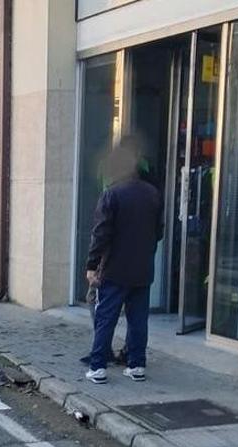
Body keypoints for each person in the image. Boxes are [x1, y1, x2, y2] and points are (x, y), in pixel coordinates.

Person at [85, 136, 163, 384]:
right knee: (138, 319)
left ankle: (98, 367)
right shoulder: (152, 194)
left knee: (106, 316)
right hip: (142, 268)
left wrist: (92, 264)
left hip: (115, 268)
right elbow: (158, 232)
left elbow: (101, 233)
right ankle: (137, 365)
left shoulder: (112, 194)